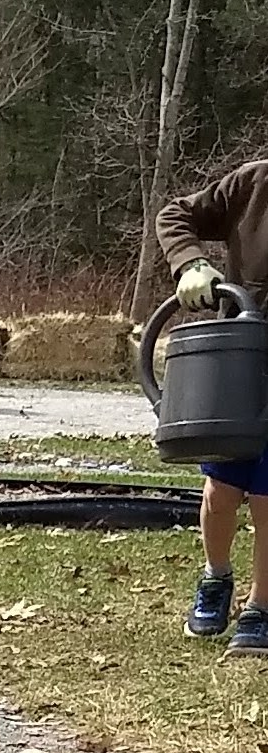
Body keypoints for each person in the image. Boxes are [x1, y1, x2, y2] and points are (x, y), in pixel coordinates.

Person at [154, 149, 268, 654]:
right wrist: (191, 263)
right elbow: (174, 214)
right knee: (221, 490)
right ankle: (216, 575)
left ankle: (261, 607)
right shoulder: (253, 184)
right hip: (238, 365)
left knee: (267, 497)